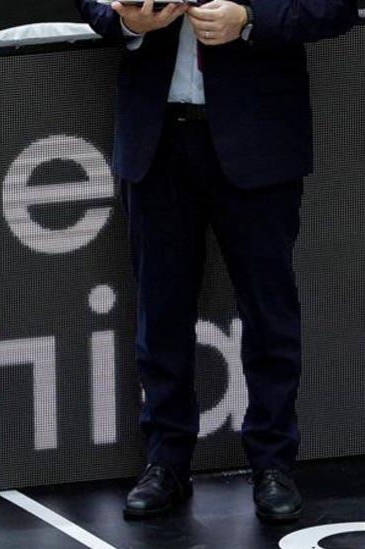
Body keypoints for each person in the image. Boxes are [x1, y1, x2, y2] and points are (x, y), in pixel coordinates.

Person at [74, 0, 357, 521]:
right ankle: (165, 461)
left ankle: (273, 463)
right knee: (160, 310)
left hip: (260, 135)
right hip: (156, 136)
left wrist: (249, 19)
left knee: (269, 309)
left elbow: (334, 6)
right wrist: (125, 21)